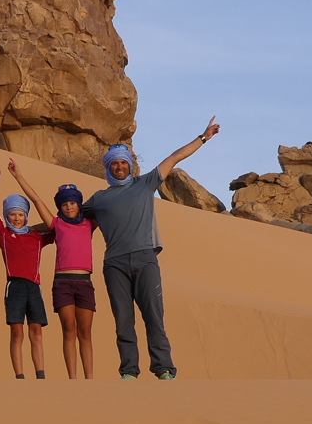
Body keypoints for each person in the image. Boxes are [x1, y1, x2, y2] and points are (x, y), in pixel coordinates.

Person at [83, 118, 221, 380]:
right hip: (114, 264)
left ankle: (164, 368)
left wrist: (203, 138)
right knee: (123, 320)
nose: (120, 166)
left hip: (145, 259)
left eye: (124, 162)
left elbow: (174, 157)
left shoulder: (143, 184)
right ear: (109, 167)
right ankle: (129, 371)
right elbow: (68, 218)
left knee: (154, 316)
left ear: (130, 165)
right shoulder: (98, 200)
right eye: (115, 163)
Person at [5, 161, 96, 379]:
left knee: (85, 333)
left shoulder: (90, 223)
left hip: (85, 282)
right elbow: (36, 200)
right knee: (69, 331)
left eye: (73, 203)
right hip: (63, 283)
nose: (69, 207)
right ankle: (73, 379)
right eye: (65, 204)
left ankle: (90, 380)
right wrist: (18, 176)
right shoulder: (56, 224)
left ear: (79, 204)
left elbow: (106, 205)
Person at [0, 162, 57, 379]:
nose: (17, 218)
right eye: (13, 214)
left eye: (21, 214)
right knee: (17, 333)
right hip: (15, 286)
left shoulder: (36, 237)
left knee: (37, 332)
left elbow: (53, 226)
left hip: (34, 287)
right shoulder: (3, 234)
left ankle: (40, 376)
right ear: (7, 215)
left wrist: (20, 176)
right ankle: (19, 377)